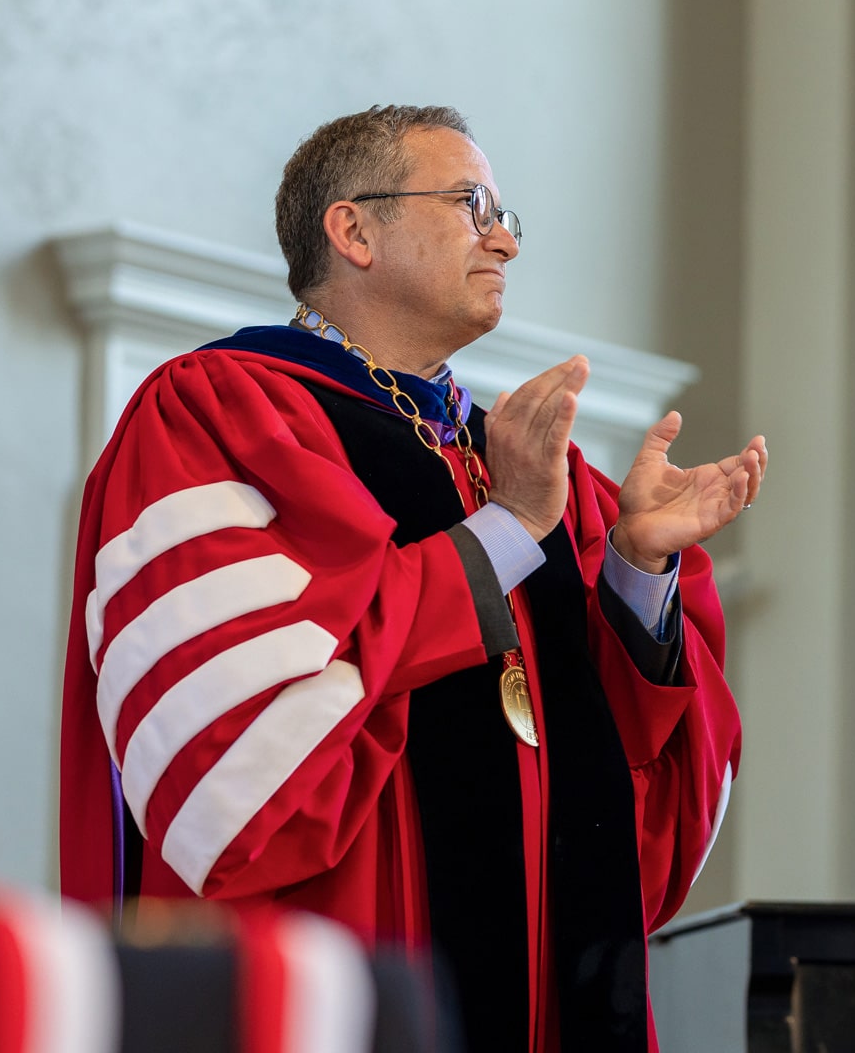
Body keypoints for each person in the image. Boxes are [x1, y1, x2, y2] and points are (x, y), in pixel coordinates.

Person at [58, 105, 765, 1053]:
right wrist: (504, 533)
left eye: (508, 216)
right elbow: (241, 759)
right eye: (474, 206)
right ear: (353, 230)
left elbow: (637, 799)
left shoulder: (522, 464)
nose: (506, 241)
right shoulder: (220, 421)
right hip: (342, 977)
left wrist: (639, 568)